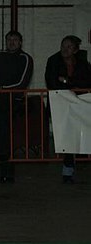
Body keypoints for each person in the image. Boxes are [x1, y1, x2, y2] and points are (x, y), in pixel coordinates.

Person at [45, 35, 91, 183]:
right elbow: (52, 81)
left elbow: (86, 81)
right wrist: (72, 86)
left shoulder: (83, 63)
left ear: (76, 50)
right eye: (63, 45)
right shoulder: (53, 60)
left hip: (79, 104)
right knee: (67, 136)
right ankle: (68, 170)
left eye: (69, 46)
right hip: (61, 104)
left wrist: (66, 80)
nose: (65, 49)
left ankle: (80, 162)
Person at [0, 30, 33, 183]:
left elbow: (22, 82)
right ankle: (3, 171)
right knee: (0, 137)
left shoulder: (25, 58)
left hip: (14, 103)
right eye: (9, 39)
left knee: (10, 136)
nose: (12, 42)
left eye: (15, 40)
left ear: (20, 42)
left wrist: (1, 89)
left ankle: (9, 172)